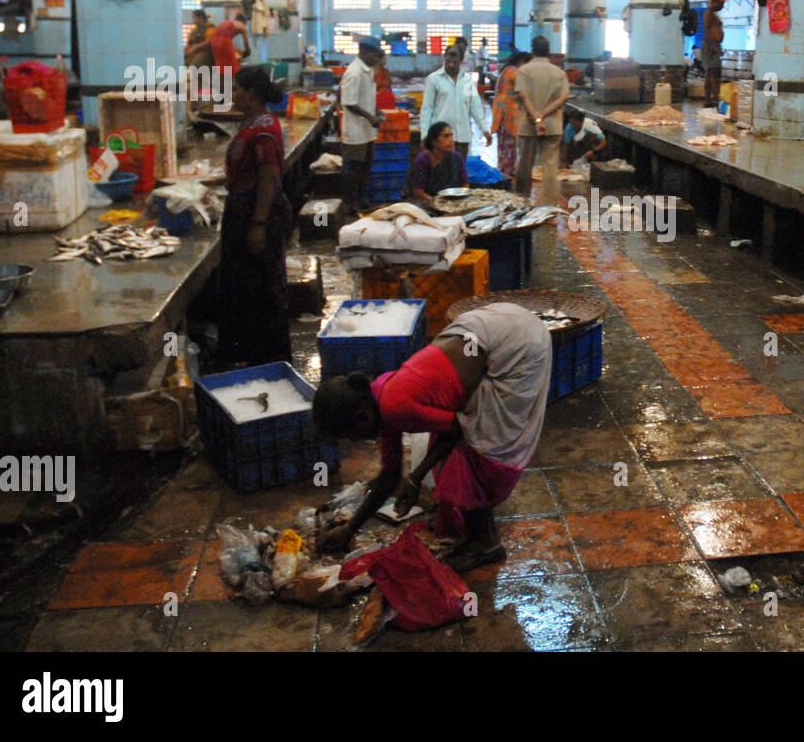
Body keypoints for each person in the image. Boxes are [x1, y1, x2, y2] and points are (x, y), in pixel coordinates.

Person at [312, 302, 553, 572]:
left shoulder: (393, 407)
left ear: (362, 417)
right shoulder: (381, 396)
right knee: (447, 450)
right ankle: (478, 535)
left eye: (352, 436)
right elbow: (389, 476)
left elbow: (457, 430)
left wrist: (415, 478)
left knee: (478, 451)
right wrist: (349, 529)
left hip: (517, 341)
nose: (357, 443)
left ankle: (486, 544)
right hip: (497, 322)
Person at [218, 66, 293, 367]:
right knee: (244, 288)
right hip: (245, 209)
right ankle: (250, 355)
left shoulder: (263, 130)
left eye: (236, 89)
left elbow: (269, 177)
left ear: (251, 93)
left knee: (263, 289)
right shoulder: (253, 122)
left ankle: (271, 360)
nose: (232, 94)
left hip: (257, 213)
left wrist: (258, 225)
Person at [514, 35, 570, 206]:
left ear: (532, 50)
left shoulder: (524, 70)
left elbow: (523, 96)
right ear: (549, 52)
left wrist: (537, 118)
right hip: (552, 125)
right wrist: (544, 115)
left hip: (528, 126)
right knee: (550, 166)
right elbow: (564, 97)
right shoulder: (559, 72)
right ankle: (548, 206)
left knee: (524, 165)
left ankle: (522, 202)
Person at [421, 44, 490, 160]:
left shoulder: (467, 80)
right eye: (448, 61)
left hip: (462, 137)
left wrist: (484, 129)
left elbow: (475, 106)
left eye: (455, 62)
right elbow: (427, 109)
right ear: (444, 58)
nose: (451, 65)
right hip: (441, 138)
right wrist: (424, 136)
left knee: (459, 172)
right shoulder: (433, 79)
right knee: (441, 174)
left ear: (461, 60)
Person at [339, 39, 384, 212]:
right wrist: (369, 117)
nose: (377, 58)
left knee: (365, 166)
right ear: (363, 52)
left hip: (366, 130)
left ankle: (362, 199)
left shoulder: (367, 70)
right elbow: (349, 102)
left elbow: (366, 97)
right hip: (356, 130)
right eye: (374, 54)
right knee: (355, 169)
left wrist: (376, 110)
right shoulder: (355, 72)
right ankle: (352, 203)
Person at [491, 51, 530, 178]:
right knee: (509, 146)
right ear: (521, 61)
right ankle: (507, 174)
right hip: (509, 113)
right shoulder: (515, 72)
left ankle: (503, 170)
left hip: (501, 112)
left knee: (503, 145)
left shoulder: (506, 70)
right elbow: (523, 92)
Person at [410, 122, 468, 206]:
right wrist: (439, 204)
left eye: (451, 135)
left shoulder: (456, 157)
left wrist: (458, 201)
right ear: (434, 142)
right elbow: (418, 192)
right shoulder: (423, 160)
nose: (451, 140)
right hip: (427, 202)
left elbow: (465, 184)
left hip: (453, 201)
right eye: (445, 136)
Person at [701, 0, 726, 106]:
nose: (722, 7)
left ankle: (711, 99)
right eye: (722, 4)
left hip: (714, 44)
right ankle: (711, 99)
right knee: (711, 73)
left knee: (713, 73)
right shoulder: (709, 13)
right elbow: (706, 29)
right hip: (710, 45)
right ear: (716, 3)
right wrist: (712, 46)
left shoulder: (714, 14)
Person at [211, 11, 251, 77]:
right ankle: (232, 82)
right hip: (224, 42)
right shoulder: (242, 25)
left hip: (214, 42)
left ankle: (223, 82)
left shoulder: (227, 22)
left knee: (222, 64)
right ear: (243, 22)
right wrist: (248, 51)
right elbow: (246, 43)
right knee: (232, 66)